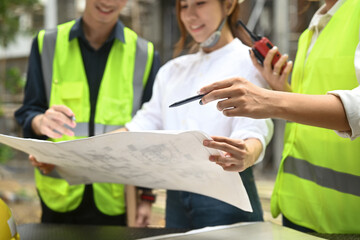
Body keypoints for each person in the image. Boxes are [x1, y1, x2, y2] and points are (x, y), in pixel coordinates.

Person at [200, 0, 360, 234]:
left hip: (347, 219)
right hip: (297, 210)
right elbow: (312, 116)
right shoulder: (312, 30)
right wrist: (283, 89)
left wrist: (269, 101)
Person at [120, 0, 273, 229]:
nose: (190, 15)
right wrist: (81, 149)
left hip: (226, 195)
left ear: (229, 5)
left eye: (200, 3)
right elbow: (144, 124)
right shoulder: (172, 70)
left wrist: (247, 153)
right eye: (184, 6)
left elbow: (254, 130)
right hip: (176, 195)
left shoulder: (249, 63)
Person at [14, 0, 161, 227]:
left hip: (116, 197)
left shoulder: (144, 54)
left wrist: (146, 196)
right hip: (60, 193)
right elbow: (28, 111)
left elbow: (150, 130)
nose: (108, 2)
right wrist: (40, 121)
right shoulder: (47, 43)